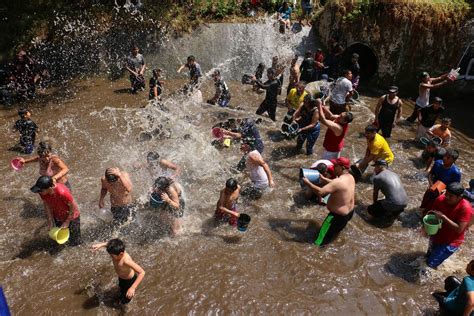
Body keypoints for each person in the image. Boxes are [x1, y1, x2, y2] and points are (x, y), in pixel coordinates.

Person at [302, 157, 355, 246]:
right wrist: (325, 179)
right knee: (334, 233)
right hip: (349, 213)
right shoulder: (350, 177)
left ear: (342, 167)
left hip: (336, 218)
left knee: (318, 242)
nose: (333, 167)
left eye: (335, 166)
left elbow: (321, 192)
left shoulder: (338, 182)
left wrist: (308, 183)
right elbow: (339, 184)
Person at [425, 183, 472, 269]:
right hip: (437, 234)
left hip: (451, 242)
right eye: (446, 194)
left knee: (430, 264)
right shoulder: (440, 199)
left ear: (460, 197)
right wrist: (425, 228)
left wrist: (443, 217)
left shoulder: (465, 208)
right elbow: (431, 214)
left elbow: (459, 229)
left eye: (451, 196)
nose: (447, 197)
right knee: (427, 257)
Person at [91, 239, 145, 305]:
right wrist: (100, 245)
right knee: (121, 289)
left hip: (129, 281)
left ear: (121, 254)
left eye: (112, 255)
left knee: (126, 299)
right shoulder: (117, 251)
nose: (111, 256)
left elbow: (142, 272)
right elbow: (111, 244)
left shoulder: (126, 261)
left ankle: (124, 303)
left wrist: (132, 288)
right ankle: (121, 295)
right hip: (122, 278)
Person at [30, 175, 81, 246]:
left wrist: (67, 221)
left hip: (72, 216)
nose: (39, 192)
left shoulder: (62, 192)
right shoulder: (42, 192)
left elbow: (72, 206)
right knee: (60, 241)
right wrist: (50, 221)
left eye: (41, 190)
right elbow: (47, 205)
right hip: (58, 216)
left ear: (50, 188)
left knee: (76, 242)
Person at [420, 148, 461, 213]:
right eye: (445, 156)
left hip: (444, 193)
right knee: (425, 201)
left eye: (448, 158)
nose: (444, 158)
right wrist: (431, 184)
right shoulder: (437, 163)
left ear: (453, 161)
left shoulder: (456, 172)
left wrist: (445, 191)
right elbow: (430, 174)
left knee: (433, 207)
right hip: (432, 187)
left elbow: (455, 187)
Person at [367, 160, 407, 224]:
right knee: (390, 207)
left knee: (370, 209)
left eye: (375, 167)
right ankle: (394, 214)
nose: (374, 170)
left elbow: (375, 193)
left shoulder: (378, 177)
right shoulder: (395, 174)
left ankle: (369, 222)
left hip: (394, 203)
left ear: (380, 167)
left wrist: (374, 205)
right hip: (404, 202)